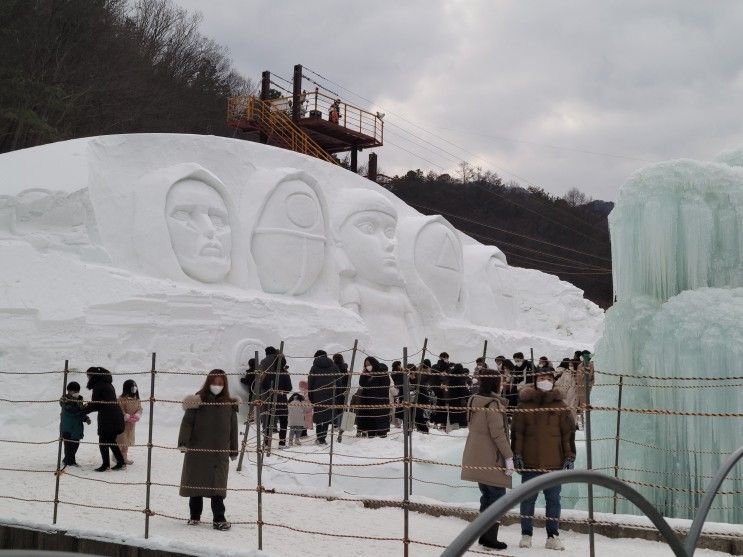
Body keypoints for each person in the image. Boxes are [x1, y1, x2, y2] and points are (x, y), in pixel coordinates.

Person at [512, 369, 575, 550]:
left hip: (554, 463)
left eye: (549, 379)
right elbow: (517, 433)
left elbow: (568, 435)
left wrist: (570, 456)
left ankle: (552, 536)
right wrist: (516, 454)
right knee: (527, 499)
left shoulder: (561, 407)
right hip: (530, 462)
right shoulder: (524, 406)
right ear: (535, 380)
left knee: (554, 500)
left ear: (553, 382)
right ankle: (526, 534)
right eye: (541, 378)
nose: (545, 381)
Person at [178, 369, 238, 531]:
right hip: (198, 450)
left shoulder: (229, 405)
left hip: (219, 454)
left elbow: (233, 429)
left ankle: (219, 518)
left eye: (220, 383)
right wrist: (183, 442)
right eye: (213, 383)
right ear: (208, 383)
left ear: (224, 385)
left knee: (217, 487)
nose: (216, 386)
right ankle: (194, 516)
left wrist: (233, 450)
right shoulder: (197, 401)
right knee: (196, 485)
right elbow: (187, 423)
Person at [461, 374, 514, 550]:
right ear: (495, 384)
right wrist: (508, 457)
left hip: (476, 455)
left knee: (486, 496)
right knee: (498, 496)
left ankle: (483, 535)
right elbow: (498, 434)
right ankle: (490, 538)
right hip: (492, 457)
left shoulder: (474, 400)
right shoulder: (492, 405)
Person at [83, 367, 126, 472]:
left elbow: (96, 404)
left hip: (108, 417)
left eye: (88, 375)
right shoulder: (108, 384)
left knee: (103, 441)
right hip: (115, 415)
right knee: (111, 440)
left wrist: (83, 409)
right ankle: (120, 462)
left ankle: (105, 464)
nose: (88, 378)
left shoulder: (98, 385)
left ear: (93, 375)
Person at [256, 347, 292, 448]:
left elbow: (263, 386)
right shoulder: (285, 374)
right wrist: (281, 392)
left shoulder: (269, 374)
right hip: (282, 401)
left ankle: (266, 443)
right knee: (284, 422)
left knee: (268, 422)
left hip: (270, 401)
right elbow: (289, 388)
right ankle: (282, 442)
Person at [308, 349, 341, 445]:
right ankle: (323, 438)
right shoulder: (334, 366)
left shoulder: (314, 368)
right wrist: (337, 396)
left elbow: (310, 384)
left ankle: (319, 437)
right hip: (331, 396)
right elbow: (339, 383)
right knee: (327, 417)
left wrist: (311, 397)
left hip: (317, 396)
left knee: (319, 417)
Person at [356, 356, 391, 437]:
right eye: (366, 365)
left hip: (380, 403)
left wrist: (372, 389)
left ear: (373, 363)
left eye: (369, 364)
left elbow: (385, 386)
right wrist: (363, 374)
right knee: (370, 426)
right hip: (369, 403)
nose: (367, 366)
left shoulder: (382, 372)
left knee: (381, 426)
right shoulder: (367, 374)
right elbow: (362, 384)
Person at [60, 381, 91, 467]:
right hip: (67, 427)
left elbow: (81, 412)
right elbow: (70, 410)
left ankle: (68, 460)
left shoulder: (79, 399)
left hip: (77, 427)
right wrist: (82, 408)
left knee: (76, 444)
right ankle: (70, 461)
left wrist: (86, 418)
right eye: (74, 391)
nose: (76, 393)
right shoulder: (64, 399)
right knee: (68, 445)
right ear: (68, 391)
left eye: (77, 391)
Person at [116, 379, 142, 465]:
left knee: (127, 441)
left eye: (135, 386)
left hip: (132, 424)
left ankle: (124, 458)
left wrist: (137, 415)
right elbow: (119, 409)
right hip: (122, 424)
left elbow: (140, 408)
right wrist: (126, 416)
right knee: (121, 440)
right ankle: (117, 457)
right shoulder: (121, 399)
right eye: (132, 386)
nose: (134, 388)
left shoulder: (136, 398)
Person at [431, 352, 453, 428]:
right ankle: (440, 423)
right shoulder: (438, 367)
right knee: (441, 407)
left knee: (440, 407)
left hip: (442, 390)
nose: (447, 360)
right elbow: (434, 378)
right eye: (446, 358)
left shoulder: (447, 368)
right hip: (441, 390)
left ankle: (439, 423)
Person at [447, 363, 469, 428]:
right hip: (460, 401)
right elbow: (463, 390)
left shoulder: (450, 378)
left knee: (454, 418)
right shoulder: (460, 378)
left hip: (452, 400)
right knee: (461, 418)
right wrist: (468, 396)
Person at [390, 360, 405, 428]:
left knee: (396, 406)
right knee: (399, 406)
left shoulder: (392, 373)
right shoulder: (399, 373)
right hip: (399, 391)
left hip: (394, 392)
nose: (400, 366)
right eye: (399, 365)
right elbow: (400, 383)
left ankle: (396, 421)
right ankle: (398, 421)